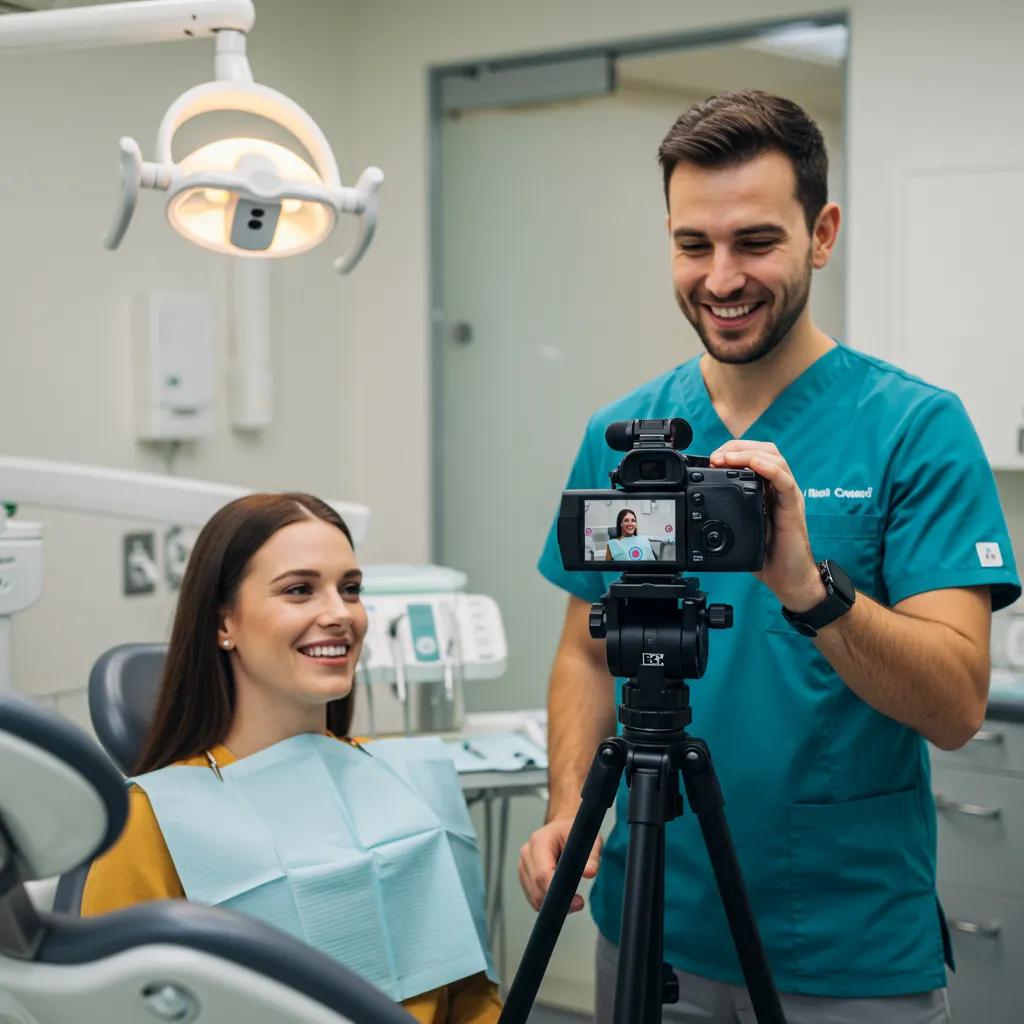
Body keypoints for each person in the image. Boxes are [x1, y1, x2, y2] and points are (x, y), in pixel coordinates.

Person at [520, 90, 1021, 1024]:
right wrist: (563, 812)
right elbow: (588, 647)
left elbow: (955, 706)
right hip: (651, 919)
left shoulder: (914, 428)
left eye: (755, 242)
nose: (720, 278)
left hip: (843, 941)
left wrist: (808, 588)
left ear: (821, 233)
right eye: (692, 244)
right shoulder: (626, 436)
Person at [83, 492, 501, 1024]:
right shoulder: (152, 822)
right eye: (299, 590)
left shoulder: (410, 785)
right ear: (223, 623)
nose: (339, 614)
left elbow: (472, 1000)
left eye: (350, 589)